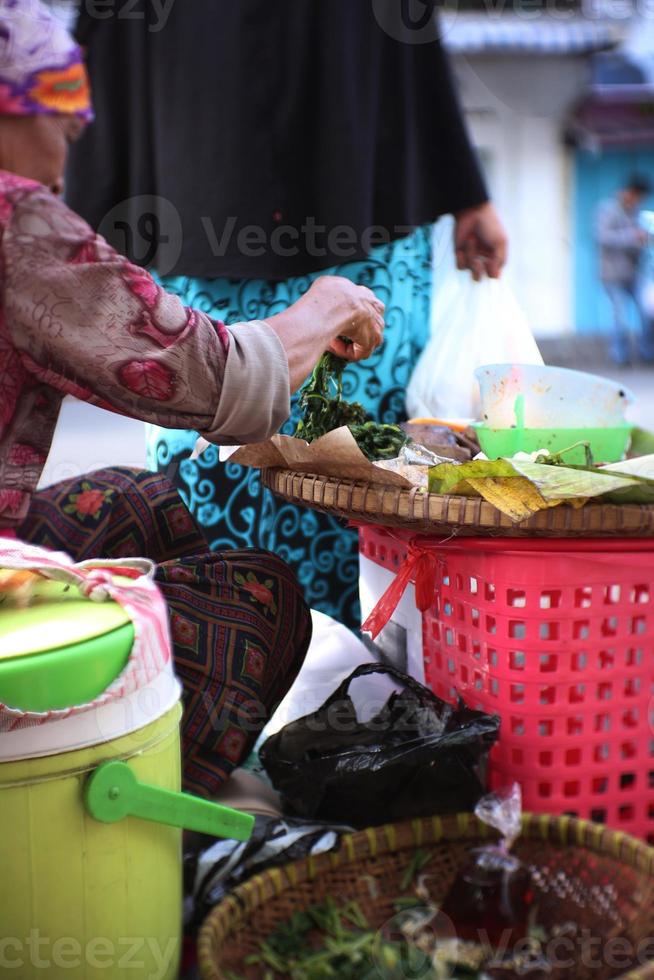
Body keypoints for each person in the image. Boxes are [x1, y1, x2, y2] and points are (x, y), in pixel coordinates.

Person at [0, 0, 384, 797]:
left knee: (139, 498)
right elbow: (207, 377)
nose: (65, 169)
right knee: (264, 595)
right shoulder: (15, 217)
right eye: (64, 131)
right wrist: (322, 307)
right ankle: (132, 809)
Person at [66, 0, 508, 630]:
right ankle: (236, 680)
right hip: (211, 221)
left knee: (366, 478)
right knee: (211, 480)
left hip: (345, 221)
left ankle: (352, 688)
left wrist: (466, 189)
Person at [596, 173, 654, 366]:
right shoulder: (608, 210)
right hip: (612, 275)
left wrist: (644, 240)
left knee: (648, 311)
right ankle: (620, 358)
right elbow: (602, 238)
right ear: (631, 192)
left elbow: (640, 243)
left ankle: (648, 354)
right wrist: (631, 236)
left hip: (635, 274)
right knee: (619, 317)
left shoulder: (637, 213)